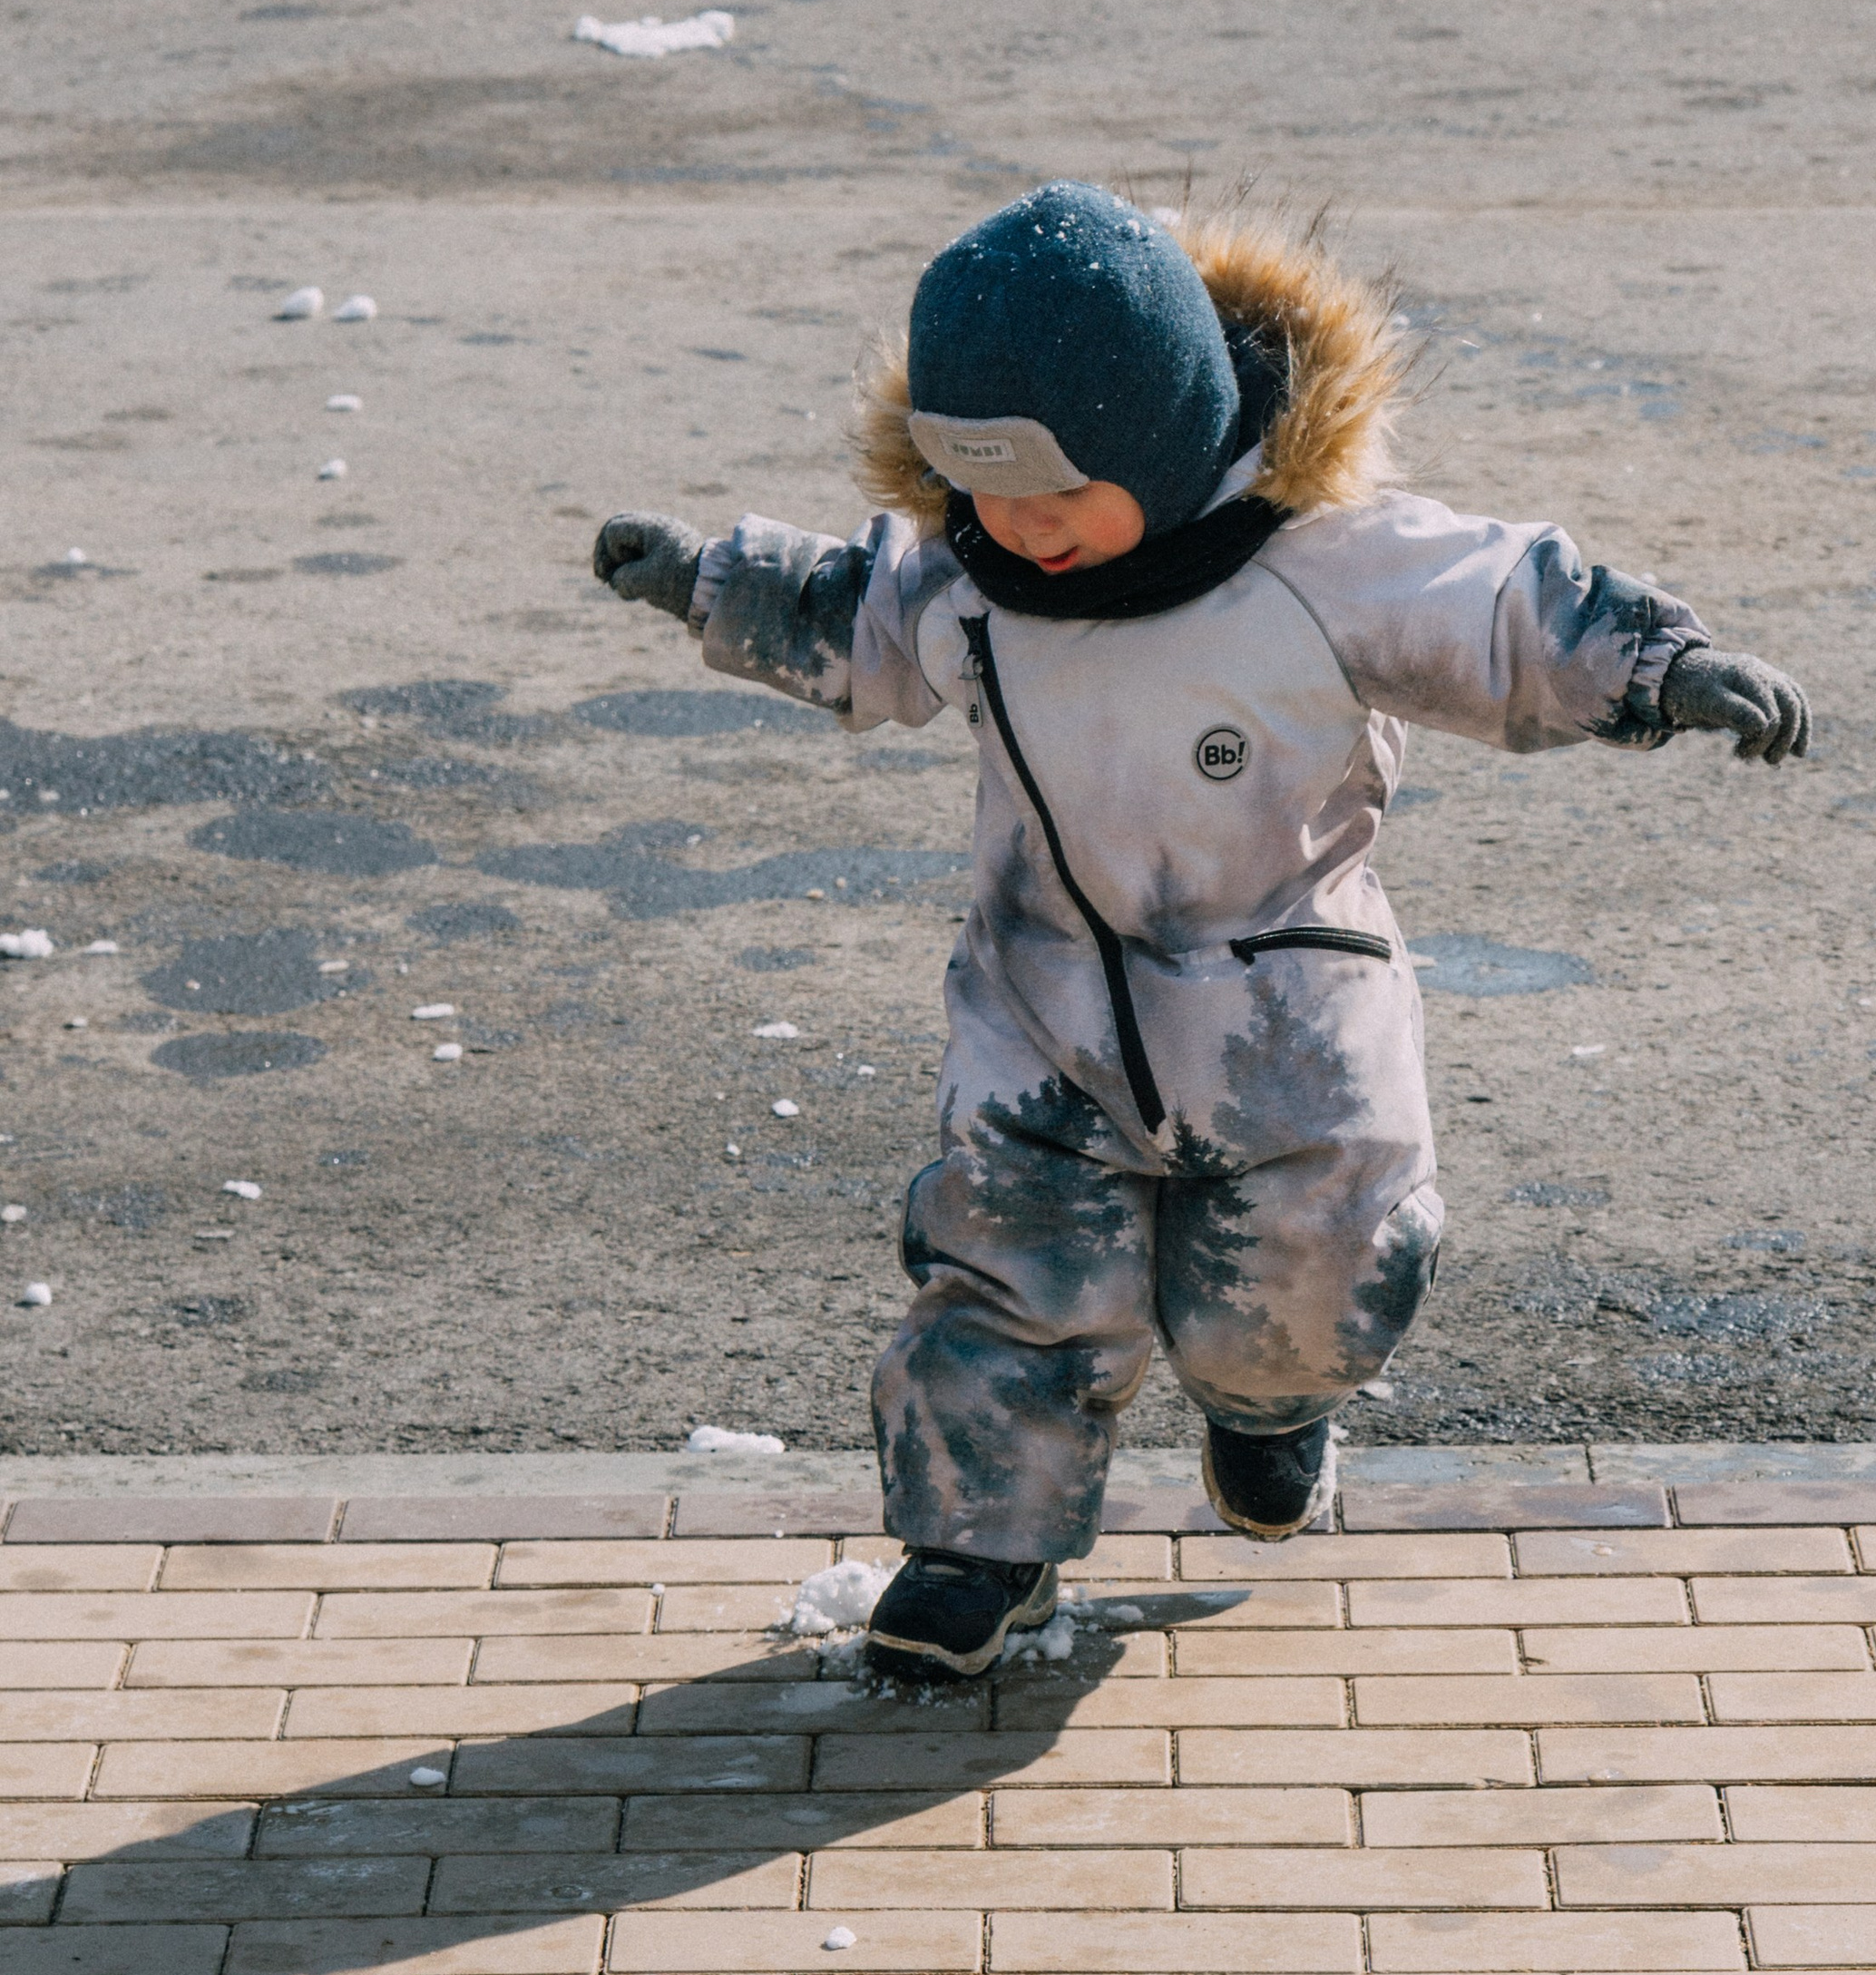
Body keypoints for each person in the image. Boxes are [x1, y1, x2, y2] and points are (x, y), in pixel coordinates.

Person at [593, 185, 1809, 1678]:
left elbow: (1497, 607)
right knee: (1007, 1267)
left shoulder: (1315, 561)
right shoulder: (970, 578)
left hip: (1280, 1013)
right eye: (979, 494)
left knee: (1307, 1282)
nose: (1019, 532)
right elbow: (853, 609)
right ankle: (984, 1545)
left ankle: (1269, 1405)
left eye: (1052, 493)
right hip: (1042, 1004)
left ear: (1157, 443)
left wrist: (1661, 668)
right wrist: (709, 583)